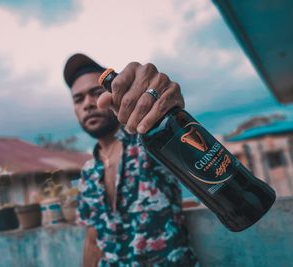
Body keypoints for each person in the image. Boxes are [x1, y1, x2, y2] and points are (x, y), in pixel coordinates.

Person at [63, 53, 198, 267]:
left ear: (113, 96)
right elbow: (92, 241)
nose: (88, 104)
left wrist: (162, 97)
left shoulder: (150, 140)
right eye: (78, 99)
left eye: (95, 93)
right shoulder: (88, 173)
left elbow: (185, 139)